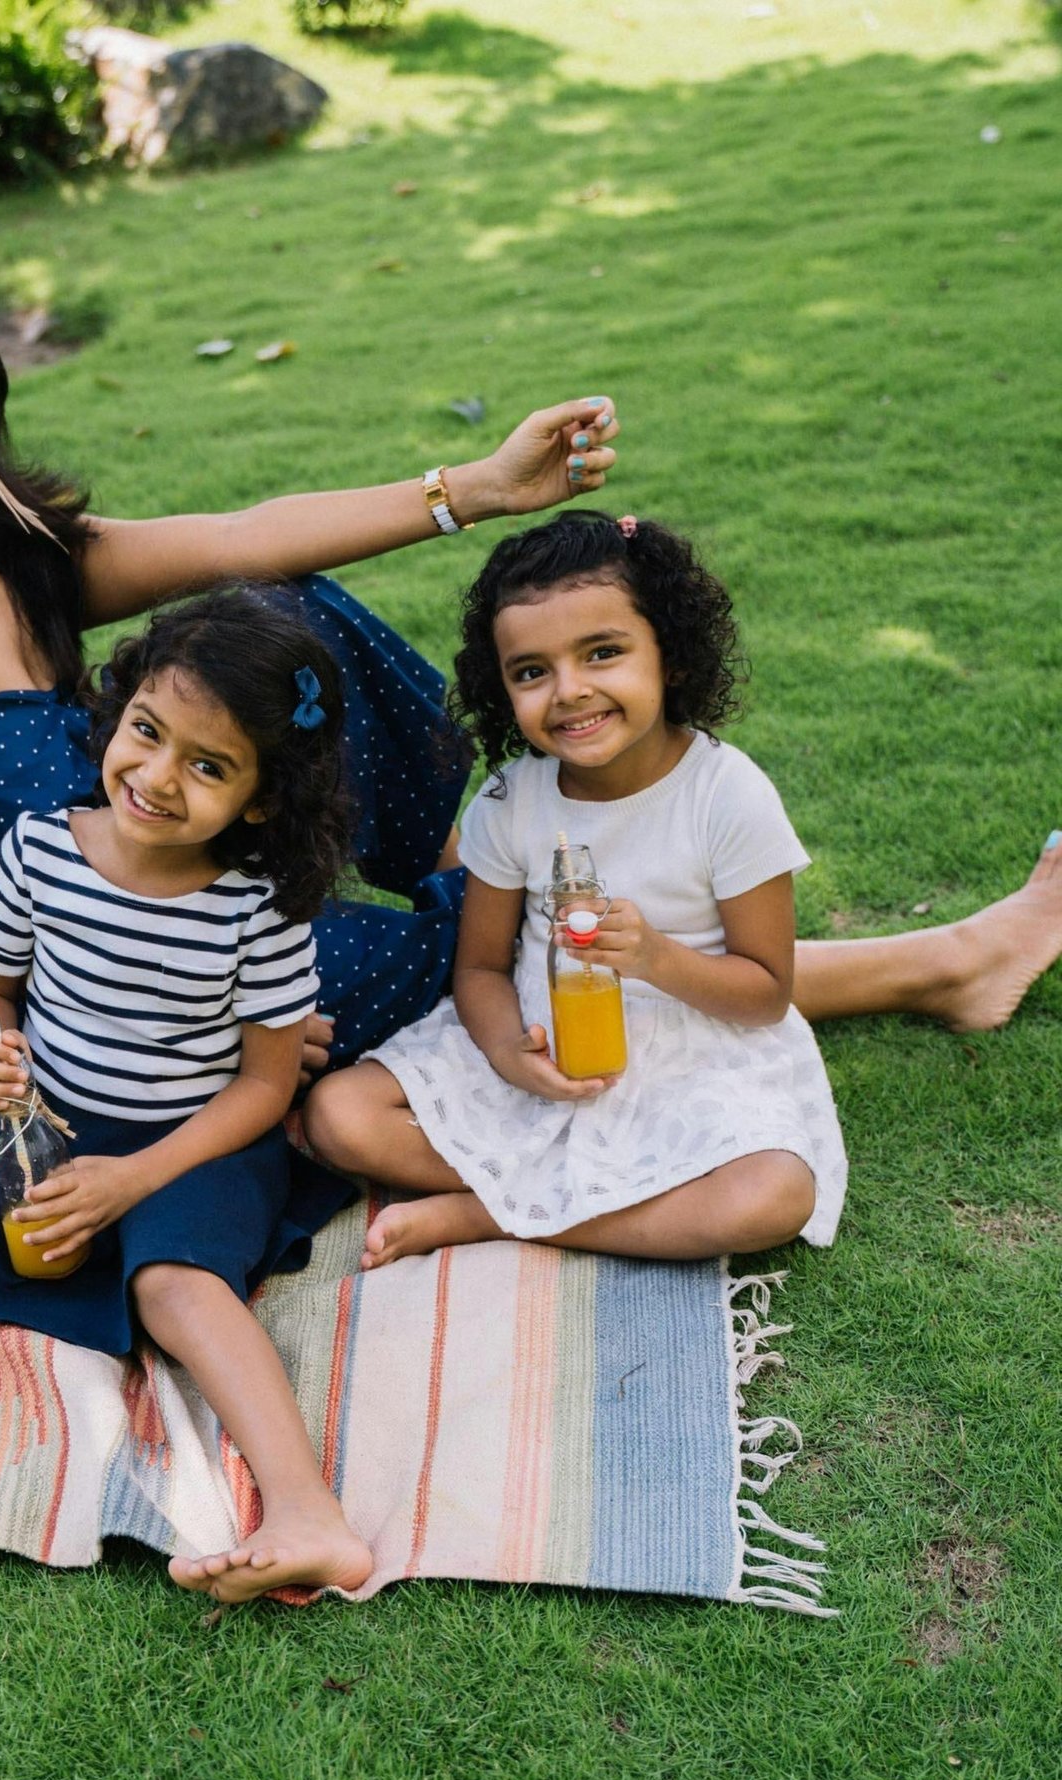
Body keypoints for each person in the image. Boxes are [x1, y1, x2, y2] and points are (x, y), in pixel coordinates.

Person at [0, 232, 1062, 1076]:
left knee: (284, 606)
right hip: (108, 979)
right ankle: (941, 964)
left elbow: (247, 535)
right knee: (498, 969)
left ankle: (478, 863)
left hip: (172, 876)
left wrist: (477, 488)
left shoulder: (12, 546)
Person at [0, 591, 371, 1602]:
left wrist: (136, 1180)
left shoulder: (257, 909)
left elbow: (264, 1084)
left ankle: (308, 1509)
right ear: (117, 716)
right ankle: (124, 1285)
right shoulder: (41, 849)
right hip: (46, 1132)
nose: (157, 776)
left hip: (195, 1143)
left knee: (177, 1287)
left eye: (208, 765)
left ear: (260, 798)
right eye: (148, 732)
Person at [303, 511, 847, 1263]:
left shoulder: (726, 794)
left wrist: (654, 957)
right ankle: (555, 1196)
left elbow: (765, 992)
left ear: (672, 656)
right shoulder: (510, 800)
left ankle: (492, 1214)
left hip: (689, 1049)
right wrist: (505, 1053)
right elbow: (482, 968)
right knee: (340, 1115)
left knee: (774, 1194)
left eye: (603, 653)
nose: (570, 691)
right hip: (543, 1031)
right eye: (532, 671)